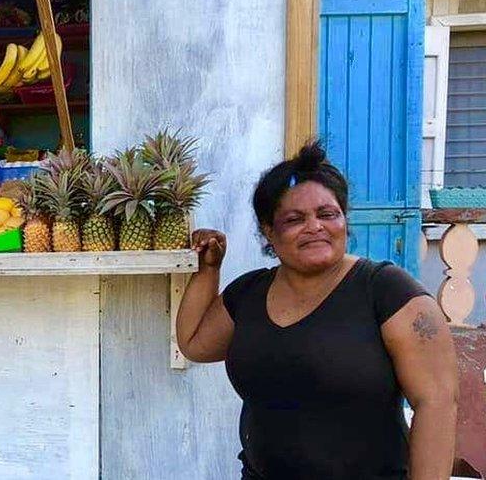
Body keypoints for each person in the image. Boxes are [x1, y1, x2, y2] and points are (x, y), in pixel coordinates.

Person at [176, 142, 458, 480]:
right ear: (269, 232)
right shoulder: (249, 294)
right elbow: (194, 343)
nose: (315, 227)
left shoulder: (387, 292)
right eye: (294, 219)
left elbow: (436, 403)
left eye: (327, 214)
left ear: (344, 220)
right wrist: (208, 270)